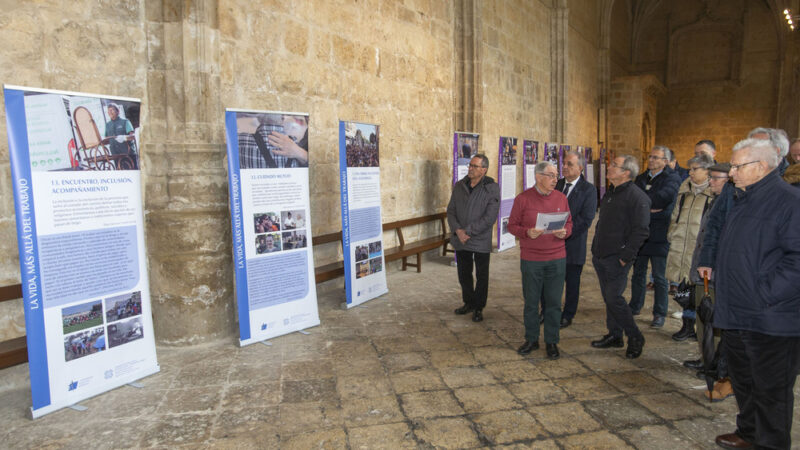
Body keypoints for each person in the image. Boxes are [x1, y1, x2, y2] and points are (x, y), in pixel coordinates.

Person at [713, 138, 800, 450]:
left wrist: (763, 293)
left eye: (738, 165)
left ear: (762, 167)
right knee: (746, 382)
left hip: (771, 318)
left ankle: (770, 444)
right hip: (738, 313)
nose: (732, 171)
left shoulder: (789, 201)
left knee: (772, 392)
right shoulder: (745, 197)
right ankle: (749, 433)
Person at [508, 161, 572, 359]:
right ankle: (532, 339)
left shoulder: (561, 198)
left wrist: (565, 232)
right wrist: (527, 232)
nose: (556, 180)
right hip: (531, 259)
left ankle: (552, 342)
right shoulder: (523, 199)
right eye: (551, 176)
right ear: (538, 177)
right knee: (531, 302)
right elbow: (512, 226)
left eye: (556, 176)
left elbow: (570, 223)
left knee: (553, 302)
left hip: (557, 258)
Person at [590, 155, 650, 359]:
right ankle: (615, 335)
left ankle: (635, 337)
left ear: (626, 172)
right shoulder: (611, 193)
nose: (609, 167)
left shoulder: (637, 197)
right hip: (601, 255)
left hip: (618, 258)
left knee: (614, 297)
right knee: (608, 298)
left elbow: (641, 231)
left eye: (614, 165)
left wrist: (625, 257)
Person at [682, 162, 733, 401]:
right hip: (703, 274)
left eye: (716, 178)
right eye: (710, 177)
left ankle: (718, 370)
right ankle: (707, 361)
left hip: (717, 277)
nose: (711, 181)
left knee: (715, 323)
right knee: (704, 322)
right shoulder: (714, 201)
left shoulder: (732, 205)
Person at [630, 146, 681, 328]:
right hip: (641, 234)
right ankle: (635, 306)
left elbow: (664, 199)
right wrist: (648, 207)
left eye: (656, 158)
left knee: (659, 277)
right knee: (638, 274)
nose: (651, 160)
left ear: (665, 161)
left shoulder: (672, 178)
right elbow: (633, 199)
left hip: (660, 235)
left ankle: (659, 313)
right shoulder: (642, 178)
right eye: (650, 157)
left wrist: (645, 208)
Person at [665, 153, 715, 341]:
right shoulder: (685, 189)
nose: (691, 173)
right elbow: (675, 214)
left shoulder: (712, 194)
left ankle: (699, 328)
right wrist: (673, 232)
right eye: (690, 169)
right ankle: (687, 325)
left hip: (698, 247)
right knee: (684, 287)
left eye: (695, 169)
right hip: (681, 243)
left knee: (699, 290)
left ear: (707, 171)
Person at [446, 154, 500, 322]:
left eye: (475, 166)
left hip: (480, 239)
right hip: (461, 239)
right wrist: (458, 231)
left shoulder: (491, 188)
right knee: (464, 274)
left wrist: (467, 231)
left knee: (482, 275)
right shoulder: (460, 185)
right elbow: (451, 211)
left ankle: (479, 307)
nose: (470, 168)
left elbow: (490, 217)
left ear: (484, 170)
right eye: (470, 165)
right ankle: (468, 302)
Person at [554, 150, 597, 328]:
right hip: (551, 244)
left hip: (573, 244)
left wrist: (566, 231)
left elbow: (586, 219)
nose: (564, 166)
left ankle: (568, 314)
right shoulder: (556, 185)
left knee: (572, 282)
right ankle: (548, 311)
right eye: (564, 163)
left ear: (580, 167)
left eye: (569, 164)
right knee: (550, 281)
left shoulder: (588, 190)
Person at [103, 104, 137, 169]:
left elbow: (133, 136)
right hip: (116, 156)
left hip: (128, 154)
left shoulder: (125, 122)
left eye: (112, 110)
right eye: (108, 111)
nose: (110, 112)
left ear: (118, 111)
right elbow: (107, 140)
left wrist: (124, 138)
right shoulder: (107, 125)